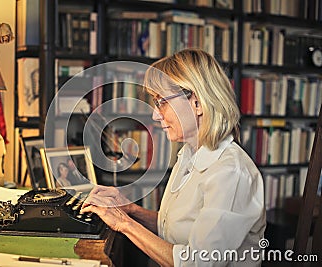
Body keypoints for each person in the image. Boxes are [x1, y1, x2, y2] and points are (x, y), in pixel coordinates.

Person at [81, 48, 266, 266]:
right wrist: (131, 210)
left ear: (197, 103)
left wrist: (124, 224)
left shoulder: (230, 173)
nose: (155, 114)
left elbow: (196, 262)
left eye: (162, 101)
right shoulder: (189, 154)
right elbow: (174, 229)